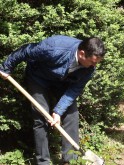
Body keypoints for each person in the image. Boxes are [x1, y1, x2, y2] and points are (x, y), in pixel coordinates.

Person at [0, 35, 105, 165]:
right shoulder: (54, 47)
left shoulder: (89, 69)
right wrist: (6, 67)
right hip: (38, 78)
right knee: (41, 116)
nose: (94, 66)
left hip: (63, 83)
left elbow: (74, 90)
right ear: (82, 54)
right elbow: (26, 50)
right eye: (93, 62)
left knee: (72, 115)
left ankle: (70, 161)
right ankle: (43, 161)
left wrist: (58, 112)